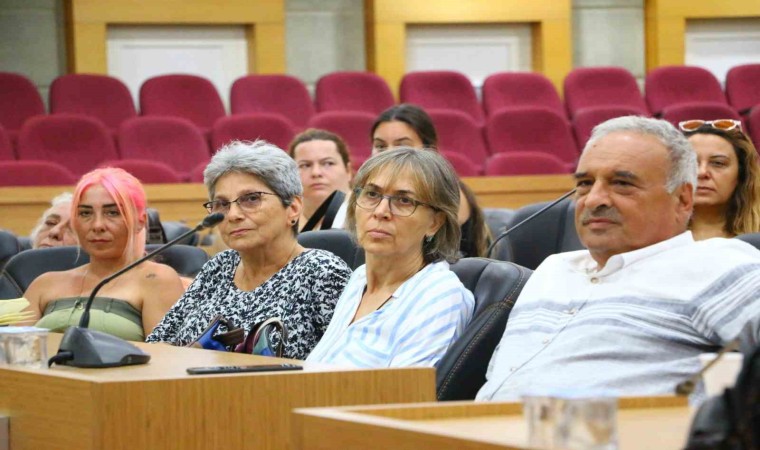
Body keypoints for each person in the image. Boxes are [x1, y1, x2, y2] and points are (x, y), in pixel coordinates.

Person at [476, 116, 760, 401]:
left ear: (683, 199)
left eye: (622, 183)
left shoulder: (717, 265)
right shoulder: (551, 269)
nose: (593, 199)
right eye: (585, 183)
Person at [147, 140, 352, 359]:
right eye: (222, 204)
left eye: (252, 199)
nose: (233, 215)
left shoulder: (323, 272)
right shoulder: (220, 266)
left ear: (293, 208)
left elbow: (348, 366)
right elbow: (158, 343)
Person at [307, 148, 474, 367]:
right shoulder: (359, 279)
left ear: (435, 222)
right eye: (372, 194)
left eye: (404, 200)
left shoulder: (440, 295)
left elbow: (405, 388)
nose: (381, 211)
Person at [24, 168, 185, 341]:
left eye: (112, 213)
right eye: (85, 213)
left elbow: (166, 355)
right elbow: (13, 349)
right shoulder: (44, 284)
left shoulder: (157, 279)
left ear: (140, 222)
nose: (97, 225)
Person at [370, 103, 490, 257]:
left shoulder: (447, 192)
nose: (389, 153)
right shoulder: (366, 192)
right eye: (380, 146)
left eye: (402, 146)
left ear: (429, 148)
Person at [679, 119, 760, 240]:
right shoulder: (655, 238)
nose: (702, 172)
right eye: (691, 162)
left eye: (718, 163)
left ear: (741, 174)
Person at [287, 128, 352, 231]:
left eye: (328, 163)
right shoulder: (281, 223)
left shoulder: (368, 214)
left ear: (348, 171)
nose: (316, 173)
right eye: (305, 165)